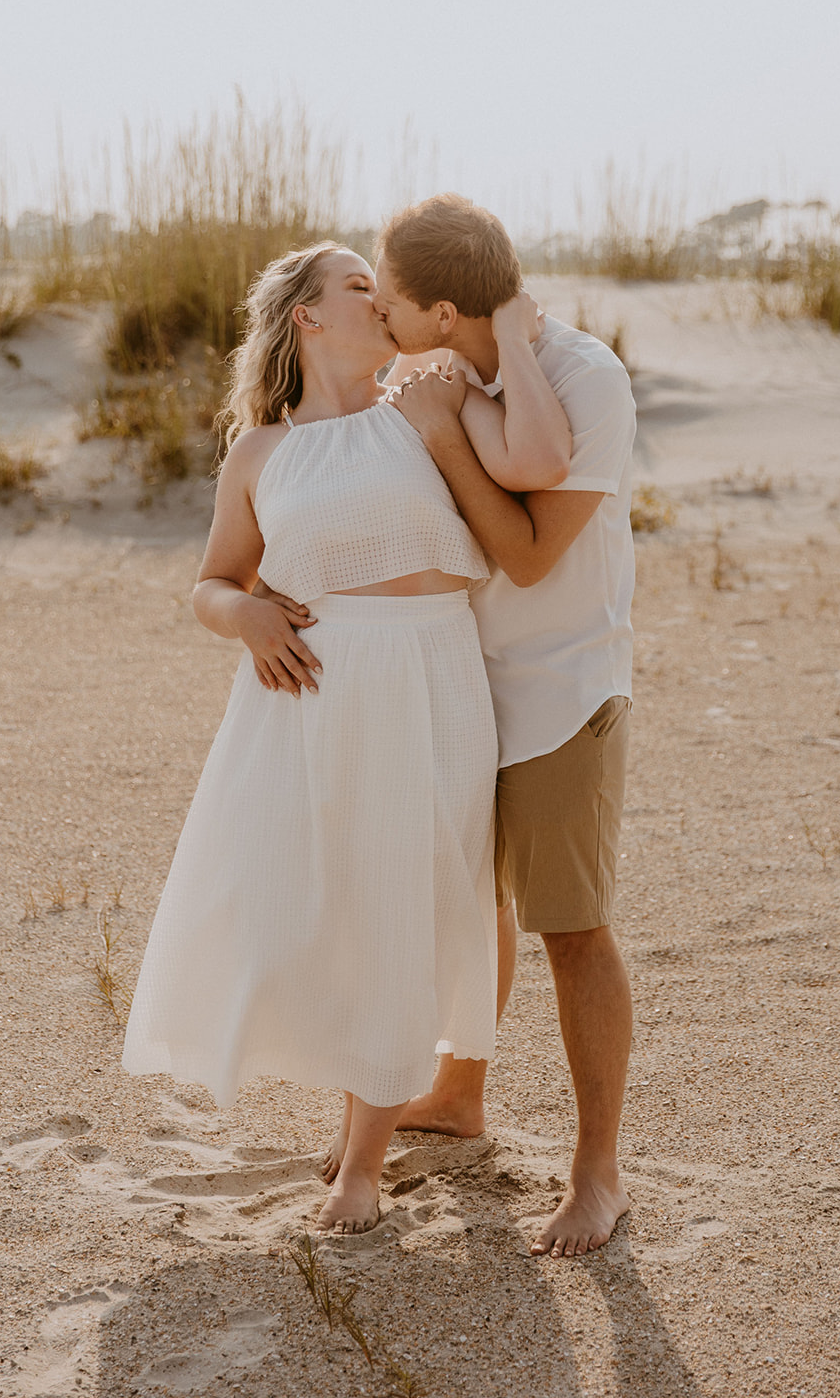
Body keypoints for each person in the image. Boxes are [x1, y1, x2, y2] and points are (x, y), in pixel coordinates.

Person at [121, 241, 570, 1236]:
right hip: (311, 691)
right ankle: (370, 1088)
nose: (387, 299)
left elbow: (540, 461)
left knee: (411, 893)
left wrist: (506, 334)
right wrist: (242, 617)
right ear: (306, 319)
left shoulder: (427, 400)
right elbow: (212, 580)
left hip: (430, 678)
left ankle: (368, 1155)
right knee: (327, 901)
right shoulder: (259, 453)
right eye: (361, 286)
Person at [255, 196, 637, 1259]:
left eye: (387, 291)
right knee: (465, 901)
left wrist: (470, 385)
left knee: (570, 926)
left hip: (560, 687)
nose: (374, 304)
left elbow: (523, 551)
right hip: (455, 683)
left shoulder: (583, 380)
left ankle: (596, 1173)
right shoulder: (423, 372)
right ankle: (454, 1095)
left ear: (437, 309)